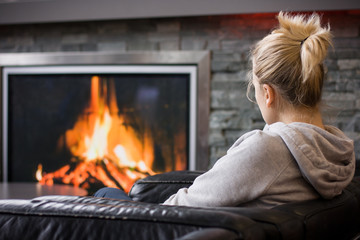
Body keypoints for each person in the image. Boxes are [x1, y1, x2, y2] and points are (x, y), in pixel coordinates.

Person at [94, 11, 355, 208]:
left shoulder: (267, 151)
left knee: (104, 195)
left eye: (255, 88)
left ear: (268, 93)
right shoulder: (336, 153)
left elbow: (180, 210)